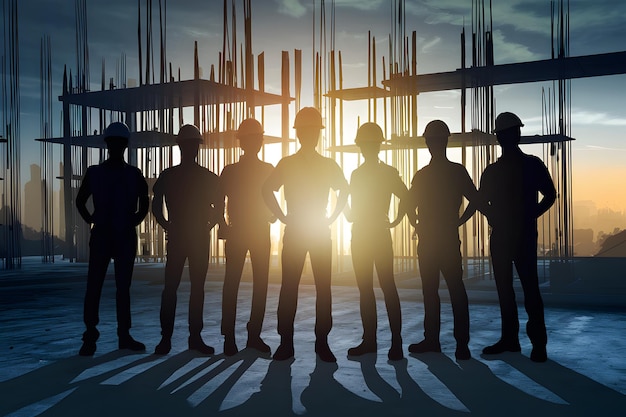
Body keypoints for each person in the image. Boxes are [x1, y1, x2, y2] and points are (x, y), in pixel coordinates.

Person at [262, 107, 349, 363]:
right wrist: (285, 216)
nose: (311, 135)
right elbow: (267, 190)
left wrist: (283, 216)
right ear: (304, 135)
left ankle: (306, 343)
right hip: (309, 228)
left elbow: (267, 190)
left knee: (309, 288)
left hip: (310, 228)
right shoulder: (297, 164)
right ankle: (298, 344)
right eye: (309, 131)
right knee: (300, 288)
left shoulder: (298, 164)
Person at [478, 112, 556, 362]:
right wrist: (531, 214)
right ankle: (532, 344)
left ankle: (516, 341)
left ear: (499, 137)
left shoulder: (494, 171)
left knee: (512, 290)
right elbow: (550, 196)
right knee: (526, 288)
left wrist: (494, 216)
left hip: (506, 236)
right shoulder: (531, 164)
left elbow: (482, 202)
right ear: (516, 134)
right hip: (518, 235)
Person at [405, 120, 477, 361]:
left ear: (428, 143)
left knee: (431, 291)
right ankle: (461, 345)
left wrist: (417, 223)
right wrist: (458, 222)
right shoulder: (456, 171)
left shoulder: (422, 175)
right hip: (446, 238)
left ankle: (433, 341)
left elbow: (408, 206)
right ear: (446, 141)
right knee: (455, 289)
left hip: (430, 240)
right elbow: (475, 200)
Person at [75, 121, 149, 356]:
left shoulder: (100, 173)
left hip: (110, 235)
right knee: (114, 287)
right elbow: (144, 205)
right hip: (118, 235)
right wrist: (132, 221)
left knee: (103, 286)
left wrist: (92, 220)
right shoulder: (130, 174)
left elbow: (80, 201)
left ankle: (97, 337)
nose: (116, 146)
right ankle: (114, 336)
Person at [152, 124, 222, 355]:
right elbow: (219, 209)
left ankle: (168, 340)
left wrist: (167, 226)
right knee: (193, 288)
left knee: (173, 288)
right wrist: (207, 226)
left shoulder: (168, 175)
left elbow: (155, 206)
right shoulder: (207, 177)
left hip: (181, 236)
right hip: (195, 237)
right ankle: (191, 338)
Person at [345, 122, 407, 361]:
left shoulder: (358, 174)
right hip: (373, 232)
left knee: (370, 290)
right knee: (383, 288)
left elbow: (405, 197)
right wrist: (396, 219)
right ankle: (391, 343)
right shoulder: (384, 173)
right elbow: (406, 197)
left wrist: (396, 219)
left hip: (364, 233)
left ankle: (375, 341)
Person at [219, 118, 275, 356]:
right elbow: (219, 201)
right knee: (255, 284)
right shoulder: (265, 170)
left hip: (243, 230)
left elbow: (218, 203)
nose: (256, 143)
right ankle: (248, 336)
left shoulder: (232, 171)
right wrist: (274, 215)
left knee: (235, 284)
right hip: (251, 230)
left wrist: (223, 226)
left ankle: (234, 338)